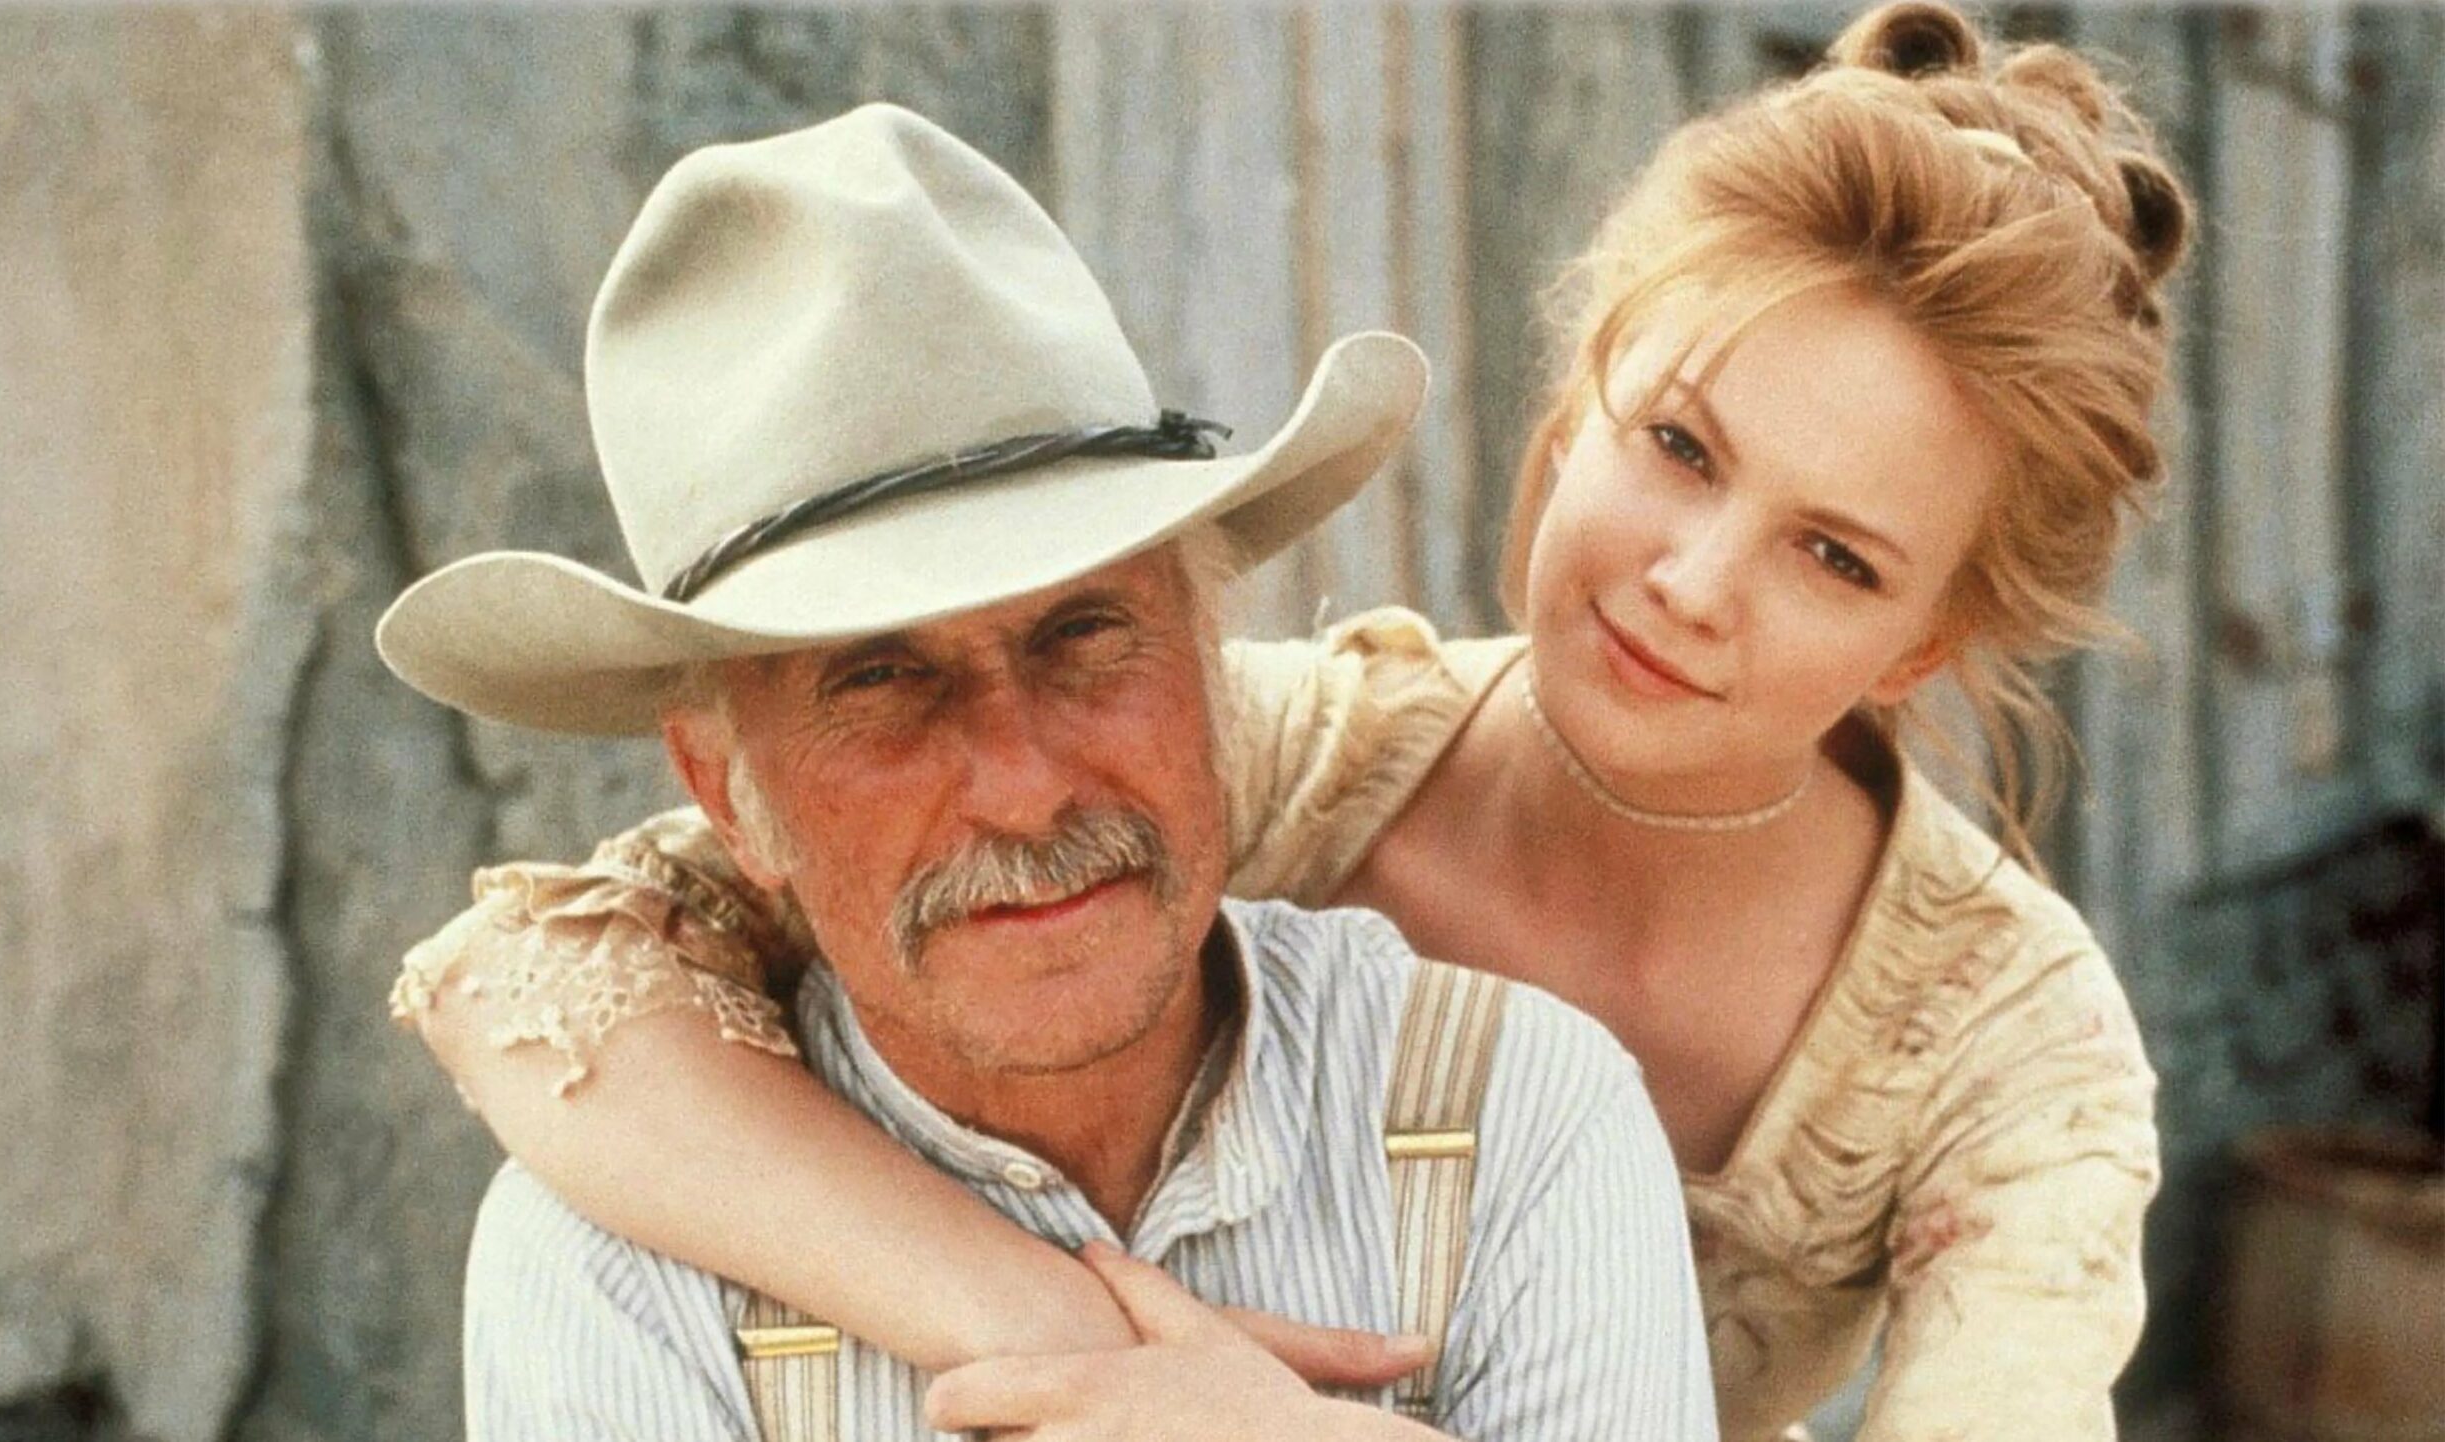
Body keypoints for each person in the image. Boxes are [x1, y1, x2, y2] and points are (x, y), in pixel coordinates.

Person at [392, 3, 2193, 1437]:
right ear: (1575, 403)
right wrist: (1058, 1329)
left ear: (1922, 643)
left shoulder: (2009, 1058)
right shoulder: (1246, 745)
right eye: (1678, 445)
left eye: (1835, 555)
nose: (1693, 582)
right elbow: (524, 983)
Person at [379, 101, 1716, 1440]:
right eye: (881, 680)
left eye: (1083, 634)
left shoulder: (1514, 1116)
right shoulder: (612, 1273)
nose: (1023, 786)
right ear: (729, 793)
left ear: (1212, 659)